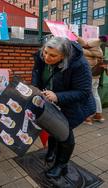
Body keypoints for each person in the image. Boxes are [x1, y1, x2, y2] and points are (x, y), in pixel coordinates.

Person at [32, 37, 96, 179]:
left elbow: (84, 92)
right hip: (50, 100)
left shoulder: (79, 64)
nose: (47, 57)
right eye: (45, 52)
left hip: (73, 105)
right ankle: (52, 151)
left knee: (65, 135)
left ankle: (61, 165)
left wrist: (58, 96)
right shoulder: (43, 54)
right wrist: (35, 86)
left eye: (53, 56)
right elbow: (36, 70)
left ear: (64, 56)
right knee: (51, 127)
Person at [76, 35, 107, 125]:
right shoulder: (98, 50)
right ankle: (98, 115)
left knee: (86, 95)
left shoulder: (85, 51)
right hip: (96, 76)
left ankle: (88, 118)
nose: (86, 45)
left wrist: (76, 38)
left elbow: (81, 46)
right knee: (95, 95)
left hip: (88, 77)